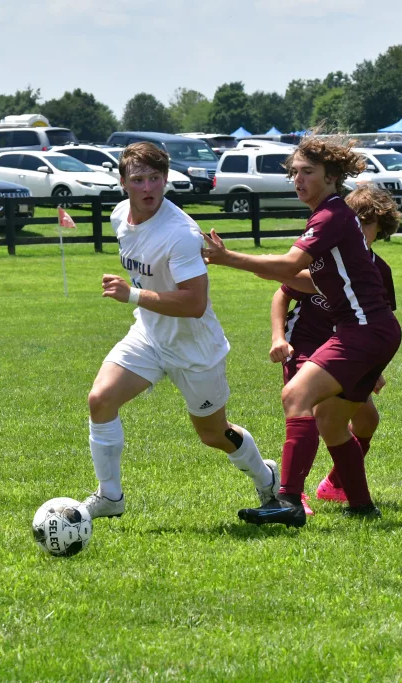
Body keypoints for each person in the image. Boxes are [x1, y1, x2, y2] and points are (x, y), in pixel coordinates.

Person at [202, 136, 402, 527]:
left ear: (331, 177)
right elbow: (295, 278)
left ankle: (289, 500)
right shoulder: (331, 215)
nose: (298, 179)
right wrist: (253, 265)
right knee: (330, 422)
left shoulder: (330, 215)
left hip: (363, 330)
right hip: (372, 330)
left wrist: (227, 258)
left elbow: (287, 265)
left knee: (296, 395)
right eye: (294, 172)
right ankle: (362, 506)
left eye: (307, 172)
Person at [78, 142, 279, 520]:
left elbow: (194, 303)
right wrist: (138, 299)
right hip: (149, 335)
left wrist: (132, 294)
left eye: (155, 178)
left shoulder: (181, 233)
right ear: (123, 183)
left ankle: (266, 477)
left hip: (194, 348)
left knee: (213, 434)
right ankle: (110, 496)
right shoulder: (119, 216)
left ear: (166, 179)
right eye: (138, 179)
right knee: (100, 400)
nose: (148, 188)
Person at [267, 185, 401, 512]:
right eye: (356, 220)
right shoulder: (322, 257)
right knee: (302, 404)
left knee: (366, 419)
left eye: (368, 223)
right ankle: (293, 495)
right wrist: (278, 337)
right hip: (305, 343)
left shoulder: (379, 270)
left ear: (381, 227)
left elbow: (377, 321)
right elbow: (283, 292)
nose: (360, 228)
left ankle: (338, 486)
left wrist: (374, 367)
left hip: (347, 348)